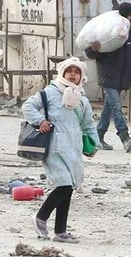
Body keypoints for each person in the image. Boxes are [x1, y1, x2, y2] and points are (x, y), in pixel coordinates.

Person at [22, 57, 100, 243]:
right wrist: (40, 121)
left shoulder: (82, 99)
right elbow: (28, 106)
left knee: (69, 186)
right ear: (62, 73)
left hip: (73, 148)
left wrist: (94, 144)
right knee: (63, 184)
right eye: (69, 71)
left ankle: (60, 232)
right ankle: (41, 217)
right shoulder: (50, 92)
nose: (72, 75)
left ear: (81, 76)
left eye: (76, 72)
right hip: (54, 146)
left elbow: (88, 124)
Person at [85, 2, 131, 153]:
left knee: (109, 108)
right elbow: (91, 52)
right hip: (108, 75)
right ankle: (125, 137)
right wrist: (94, 49)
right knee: (116, 107)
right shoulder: (107, 30)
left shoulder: (128, 32)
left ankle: (97, 137)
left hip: (121, 77)